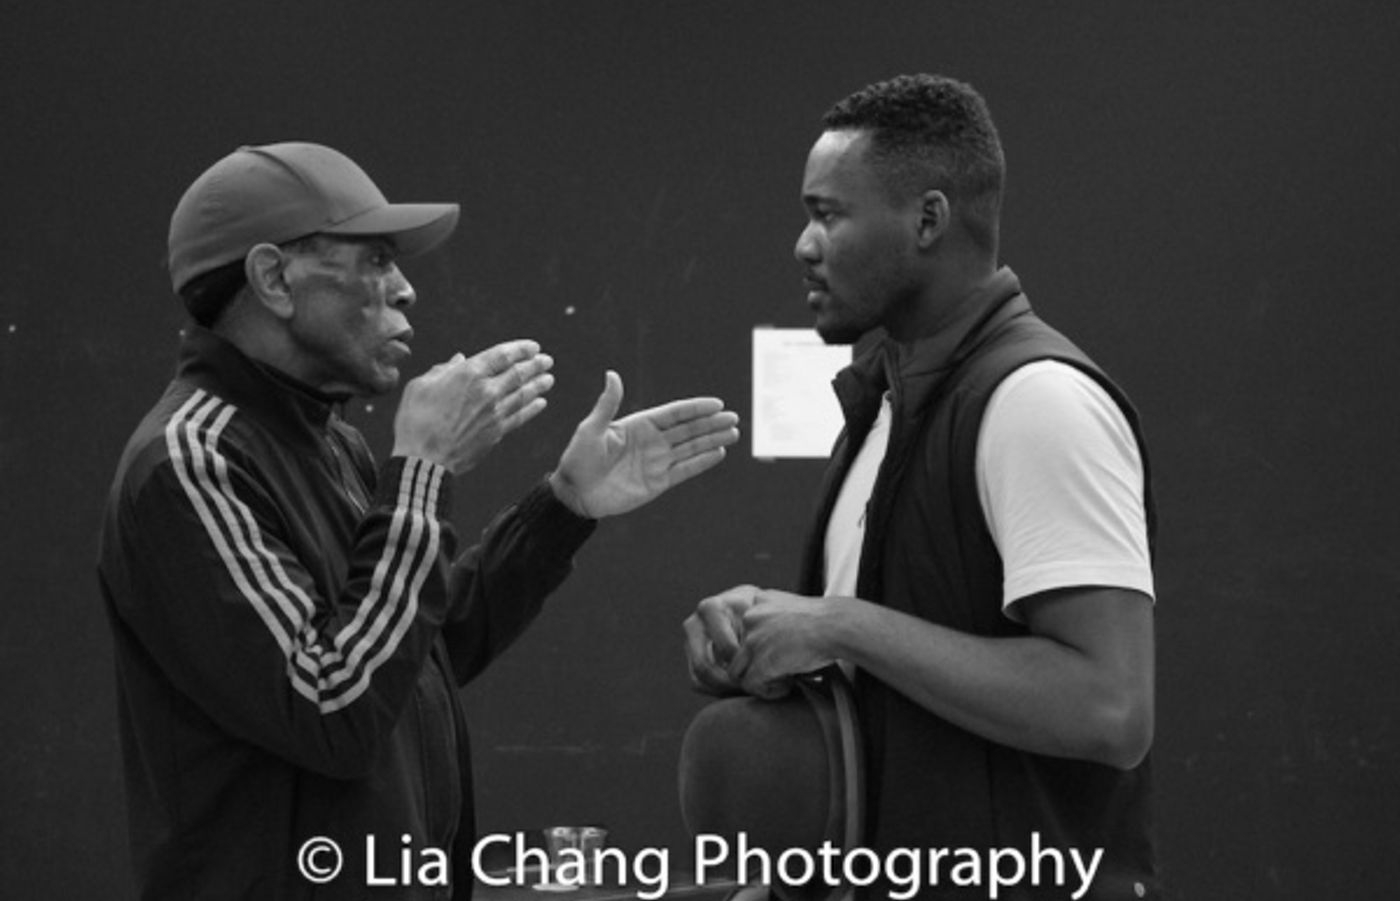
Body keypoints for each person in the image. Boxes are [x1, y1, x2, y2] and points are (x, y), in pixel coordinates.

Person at [98, 141, 740, 900]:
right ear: (273, 277)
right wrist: (422, 472)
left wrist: (564, 505)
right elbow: (332, 703)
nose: (404, 289)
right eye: (373, 261)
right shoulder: (190, 461)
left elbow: (417, 657)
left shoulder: (324, 440)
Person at [683, 75, 1158, 899]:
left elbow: (1110, 710)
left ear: (928, 220)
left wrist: (841, 624)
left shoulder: (1036, 401)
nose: (803, 244)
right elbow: (891, 688)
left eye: (828, 213)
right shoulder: (886, 406)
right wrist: (769, 647)